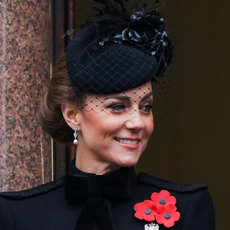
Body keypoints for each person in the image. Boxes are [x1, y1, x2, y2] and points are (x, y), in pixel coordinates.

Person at [0, 0, 215, 229]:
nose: (137, 122)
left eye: (146, 107)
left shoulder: (187, 207)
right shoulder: (19, 214)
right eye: (117, 106)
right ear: (72, 115)